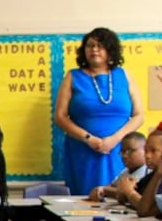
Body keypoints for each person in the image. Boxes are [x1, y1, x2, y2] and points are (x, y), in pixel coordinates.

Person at [54, 28, 145, 195]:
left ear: (110, 50)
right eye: (90, 46)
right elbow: (60, 117)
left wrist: (114, 139)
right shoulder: (73, 76)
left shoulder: (124, 75)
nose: (94, 49)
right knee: (84, 199)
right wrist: (88, 139)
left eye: (100, 46)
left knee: (119, 195)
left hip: (119, 151)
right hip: (83, 150)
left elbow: (139, 116)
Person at [116, 128, 162, 215]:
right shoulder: (151, 175)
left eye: (153, 151)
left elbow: (145, 209)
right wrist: (124, 191)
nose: (147, 156)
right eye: (146, 151)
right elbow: (125, 198)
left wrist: (130, 192)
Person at [87, 130, 146, 202]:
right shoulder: (125, 172)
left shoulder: (147, 172)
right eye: (122, 152)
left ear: (145, 150)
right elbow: (111, 186)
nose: (125, 155)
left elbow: (126, 193)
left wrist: (104, 190)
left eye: (130, 151)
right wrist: (100, 190)